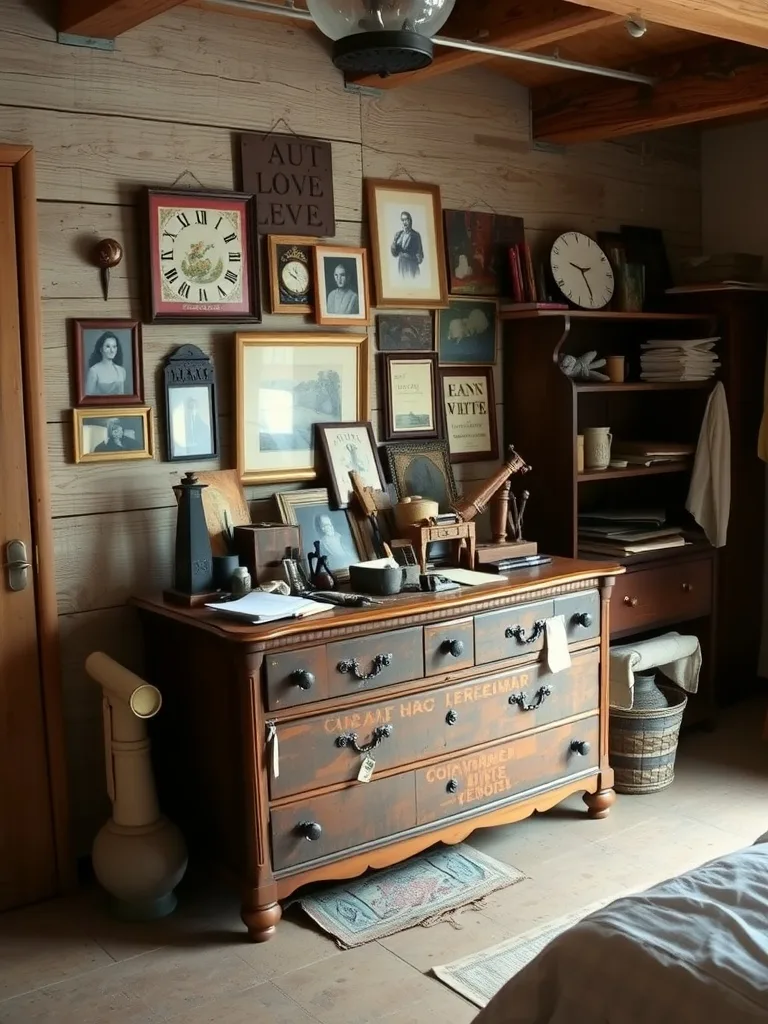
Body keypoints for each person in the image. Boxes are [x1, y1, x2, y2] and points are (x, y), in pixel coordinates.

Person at [390, 211, 424, 279]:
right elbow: (394, 254)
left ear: (410, 221)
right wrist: (394, 241)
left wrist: (417, 258)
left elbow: (420, 255)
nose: (404, 222)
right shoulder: (399, 234)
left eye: (406, 219)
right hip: (401, 266)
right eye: (402, 220)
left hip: (411, 266)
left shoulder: (416, 235)